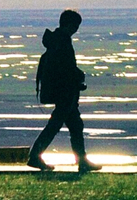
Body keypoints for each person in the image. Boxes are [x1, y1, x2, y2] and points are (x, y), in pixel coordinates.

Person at [27, 9, 98, 173]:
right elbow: (65, 69)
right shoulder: (62, 42)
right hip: (65, 92)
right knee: (56, 125)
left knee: (74, 126)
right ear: (69, 25)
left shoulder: (57, 41)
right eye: (75, 25)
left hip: (65, 91)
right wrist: (77, 77)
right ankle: (35, 156)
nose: (76, 29)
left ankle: (81, 160)